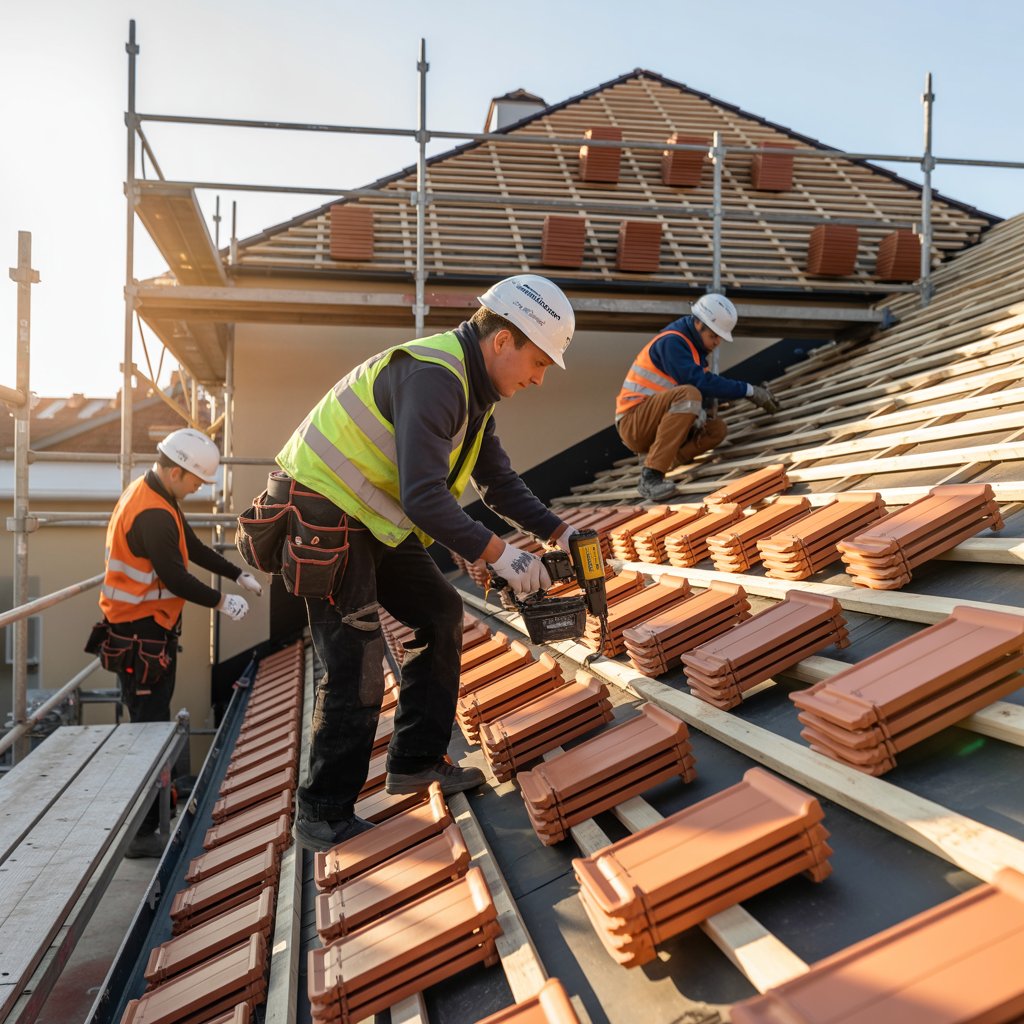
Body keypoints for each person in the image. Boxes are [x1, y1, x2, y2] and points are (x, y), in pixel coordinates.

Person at [273, 274, 580, 852]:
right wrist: (499, 553)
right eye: (538, 363)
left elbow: (496, 482)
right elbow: (423, 497)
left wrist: (561, 532)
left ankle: (414, 760)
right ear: (502, 342)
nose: (538, 379)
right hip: (322, 513)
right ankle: (322, 812)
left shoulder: (473, 390)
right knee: (356, 655)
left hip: (367, 517)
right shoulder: (436, 377)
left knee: (438, 611)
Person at [96, 428, 263, 857]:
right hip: (140, 635)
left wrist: (234, 572)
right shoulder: (151, 511)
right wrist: (224, 602)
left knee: (150, 727)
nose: (197, 488)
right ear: (175, 472)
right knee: (147, 735)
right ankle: (141, 834)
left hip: (143, 632)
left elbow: (189, 545)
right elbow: (174, 577)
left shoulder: (156, 495)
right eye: (195, 481)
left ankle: (150, 820)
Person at [615, 293, 780, 501]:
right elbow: (698, 383)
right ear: (699, 324)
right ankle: (651, 477)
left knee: (716, 430)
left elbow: (703, 387)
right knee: (690, 394)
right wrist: (748, 391)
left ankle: (662, 459)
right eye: (714, 335)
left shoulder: (693, 352)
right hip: (633, 423)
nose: (718, 342)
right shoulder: (672, 343)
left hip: (655, 425)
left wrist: (721, 401)